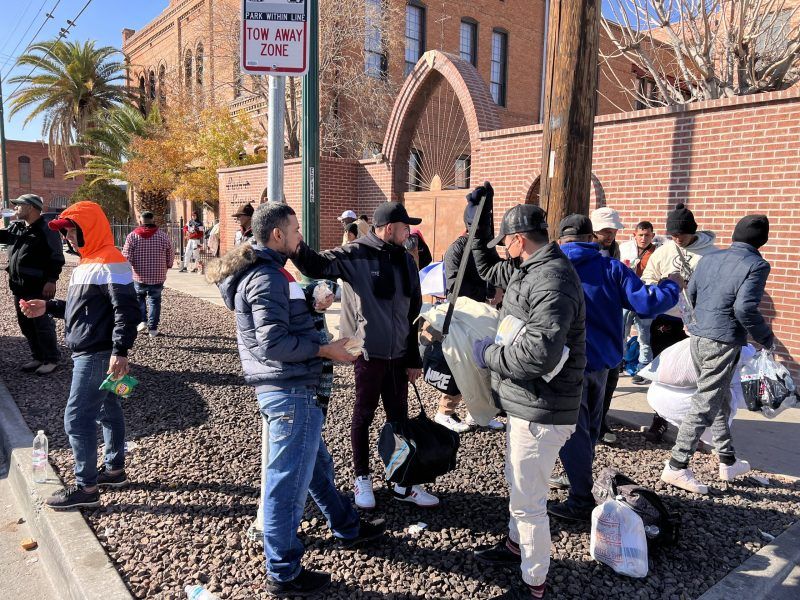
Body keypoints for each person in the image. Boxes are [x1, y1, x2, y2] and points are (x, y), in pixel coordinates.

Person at [208, 202, 384, 597]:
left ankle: (347, 527)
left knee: (317, 467)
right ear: (277, 235)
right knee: (287, 484)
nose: (300, 237)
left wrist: (307, 303)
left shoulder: (267, 273)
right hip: (290, 392)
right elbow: (273, 343)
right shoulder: (267, 277)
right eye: (296, 230)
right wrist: (328, 350)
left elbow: (274, 324)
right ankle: (283, 571)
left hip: (286, 390)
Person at [468, 197, 587, 600]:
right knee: (519, 485)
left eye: (506, 242)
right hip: (529, 403)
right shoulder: (528, 267)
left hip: (543, 408)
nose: (504, 249)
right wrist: (478, 224)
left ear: (520, 240)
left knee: (529, 503)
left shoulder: (551, 280)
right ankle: (515, 547)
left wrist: (488, 355)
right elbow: (482, 265)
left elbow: (539, 354)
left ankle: (533, 583)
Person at [292, 201, 439, 510]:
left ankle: (403, 482)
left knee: (399, 419)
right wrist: (294, 242)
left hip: (399, 356)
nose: (408, 233)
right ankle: (362, 479)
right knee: (363, 417)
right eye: (404, 228)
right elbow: (315, 266)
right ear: (388, 228)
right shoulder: (355, 253)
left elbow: (414, 310)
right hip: (367, 354)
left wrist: (414, 358)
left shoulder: (406, 261)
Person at [547, 214, 680, 523]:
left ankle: (580, 496)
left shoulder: (550, 269)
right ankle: (579, 481)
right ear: (591, 239)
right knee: (591, 427)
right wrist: (672, 286)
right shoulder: (611, 268)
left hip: (566, 364)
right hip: (604, 362)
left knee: (574, 432)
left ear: (561, 241)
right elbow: (647, 303)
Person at [19, 201, 140, 509]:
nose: (68, 238)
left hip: (97, 354)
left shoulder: (111, 260)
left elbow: (126, 310)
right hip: (94, 351)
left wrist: (120, 350)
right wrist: (48, 306)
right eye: (66, 233)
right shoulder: (88, 262)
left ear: (89, 229)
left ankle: (86, 488)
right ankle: (114, 470)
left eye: (72, 231)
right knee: (108, 410)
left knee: (77, 418)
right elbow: (82, 310)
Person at [661, 215, 773, 494]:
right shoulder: (756, 264)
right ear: (762, 240)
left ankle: (728, 460)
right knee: (705, 403)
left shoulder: (710, 258)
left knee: (718, 398)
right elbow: (744, 309)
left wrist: (699, 322)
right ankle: (676, 466)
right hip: (722, 341)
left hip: (699, 336)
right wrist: (766, 338)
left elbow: (693, 293)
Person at [641, 203, 719, 441]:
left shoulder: (712, 254)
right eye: (673, 235)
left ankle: (693, 426)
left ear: (692, 231)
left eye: (681, 235)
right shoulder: (664, 251)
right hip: (667, 318)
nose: (677, 239)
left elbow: (719, 288)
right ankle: (660, 419)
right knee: (664, 373)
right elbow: (648, 277)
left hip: (698, 322)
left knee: (695, 376)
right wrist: (661, 287)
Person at [434, 208, 503, 433]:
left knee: (484, 368)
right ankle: (445, 412)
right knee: (462, 367)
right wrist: (488, 293)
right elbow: (454, 287)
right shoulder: (458, 247)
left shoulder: (486, 246)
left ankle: (478, 413)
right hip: (463, 317)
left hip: (486, 316)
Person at [0, 194, 64, 375]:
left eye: (19, 206)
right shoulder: (18, 228)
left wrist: (52, 280)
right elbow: (2, 237)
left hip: (38, 285)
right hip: (19, 285)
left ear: (30, 207)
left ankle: (51, 358)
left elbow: (57, 257)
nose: (15, 209)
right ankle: (37, 356)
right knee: (25, 323)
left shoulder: (47, 229)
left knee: (41, 323)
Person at [590, 207, 624, 444]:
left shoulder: (614, 250)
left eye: (612, 230)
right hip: (592, 320)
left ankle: (601, 420)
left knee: (612, 374)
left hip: (611, 318)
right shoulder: (587, 251)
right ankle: (593, 424)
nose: (610, 234)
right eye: (605, 230)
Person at [619, 221, 661, 384]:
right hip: (625, 297)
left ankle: (644, 367)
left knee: (645, 335)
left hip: (645, 298)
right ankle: (619, 362)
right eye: (641, 235)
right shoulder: (624, 249)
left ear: (653, 235)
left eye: (647, 235)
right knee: (621, 331)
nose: (643, 238)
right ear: (634, 235)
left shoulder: (657, 251)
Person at [122, 210, 174, 338]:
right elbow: (170, 254)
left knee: (139, 298)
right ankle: (153, 329)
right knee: (155, 301)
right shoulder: (163, 236)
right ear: (153, 220)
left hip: (139, 275)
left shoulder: (132, 236)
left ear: (141, 221)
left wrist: (127, 270)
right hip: (158, 275)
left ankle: (142, 321)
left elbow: (126, 257)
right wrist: (168, 265)